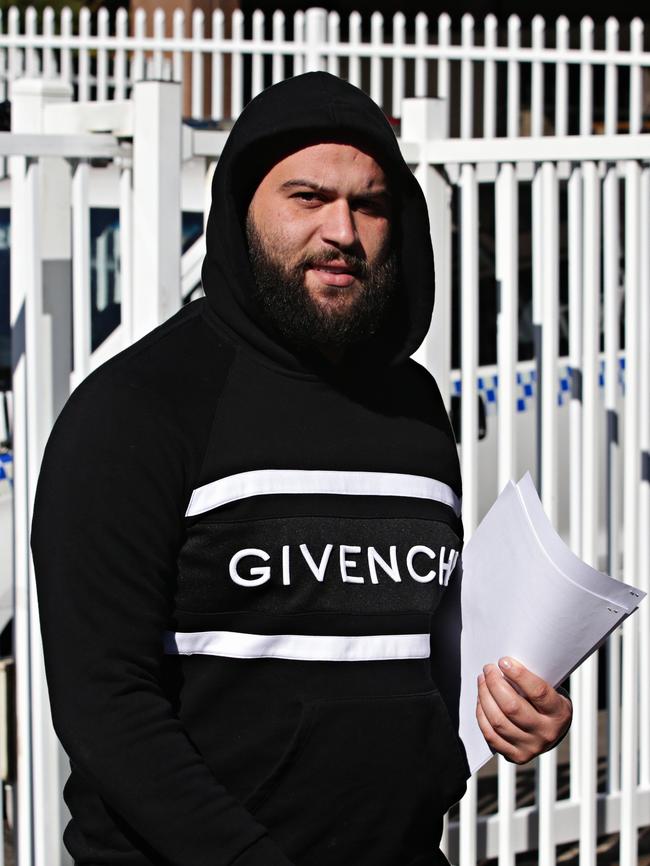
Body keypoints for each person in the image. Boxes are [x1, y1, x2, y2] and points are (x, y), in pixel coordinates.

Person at [31, 72, 571, 866]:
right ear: (242, 210)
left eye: (370, 204)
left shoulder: (413, 408)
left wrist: (518, 711)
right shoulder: (137, 407)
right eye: (308, 197)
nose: (342, 230)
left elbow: (429, 656)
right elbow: (106, 706)